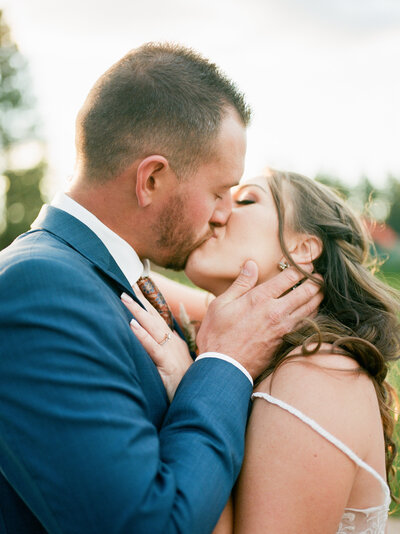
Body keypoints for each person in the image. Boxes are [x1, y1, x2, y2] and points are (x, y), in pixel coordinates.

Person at [0, 45, 322, 533]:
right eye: (219, 192)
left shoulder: (103, 278)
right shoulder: (41, 291)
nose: (223, 214)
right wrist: (223, 367)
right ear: (151, 178)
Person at [124, 169, 400, 533]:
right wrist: (228, 323)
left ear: (302, 248)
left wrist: (193, 384)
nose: (216, 213)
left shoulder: (317, 373)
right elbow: (116, 272)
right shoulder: (277, 359)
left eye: (246, 200)